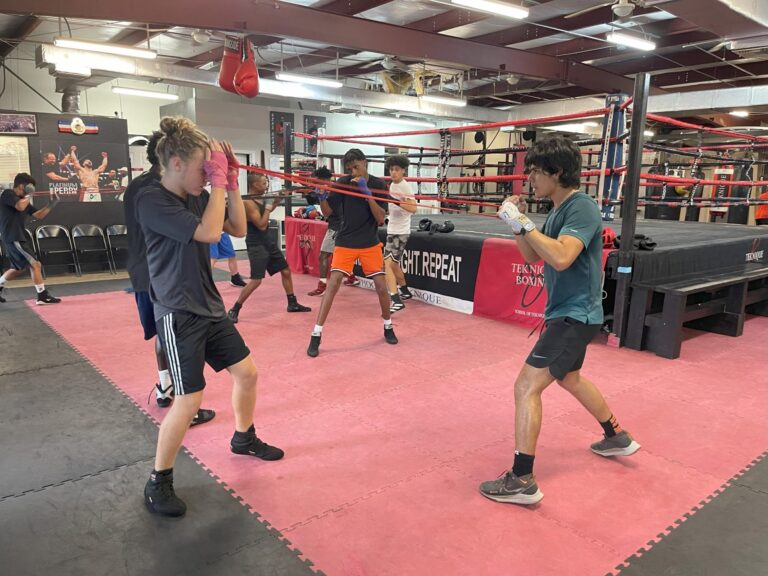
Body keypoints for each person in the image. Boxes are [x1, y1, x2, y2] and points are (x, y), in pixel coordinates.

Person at [479, 136, 640, 506]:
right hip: (568, 314)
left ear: (557, 172)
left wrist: (525, 223)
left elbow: (563, 257)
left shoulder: (581, 207)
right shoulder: (555, 211)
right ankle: (615, 436)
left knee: (525, 387)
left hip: (575, 314)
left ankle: (522, 479)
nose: (530, 178)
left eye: (535, 171)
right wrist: (517, 223)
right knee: (570, 377)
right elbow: (534, 256)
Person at [137, 117, 282, 518]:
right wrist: (217, 184)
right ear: (177, 163)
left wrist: (231, 182)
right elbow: (205, 234)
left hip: (209, 306)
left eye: (211, 169)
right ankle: (159, 480)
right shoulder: (153, 200)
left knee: (247, 373)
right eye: (204, 168)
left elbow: (235, 226)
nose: (207, 175)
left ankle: (243, 438)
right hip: (178, 311)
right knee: (188, 400)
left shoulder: (198, 194)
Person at [123, 130, 216, 424]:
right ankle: (181, 400)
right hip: (160, 272)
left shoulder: (141, 186)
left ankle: (166, 387)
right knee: (169, 332)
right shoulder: (153, 191)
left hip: (151, 269)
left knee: (165, 334)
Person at [307, 148, 397, 357]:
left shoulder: (378, 185)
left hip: (369, 242)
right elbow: (328, 213)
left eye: (356, 166)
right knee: (333, 285)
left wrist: (368, 195)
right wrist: (322, 198)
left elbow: (380, 218)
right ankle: (316, 334)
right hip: (346, 241)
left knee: (382, 287)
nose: (353, 171)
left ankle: (388, 325)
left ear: (365, 162)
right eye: (350, 168)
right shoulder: (342, 183)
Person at [227, 173, 311, 322]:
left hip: (267, 241)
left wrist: (276, 201)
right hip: (256, 243)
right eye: (263, 183)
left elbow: (268, 210)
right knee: (256, 280)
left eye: (266, 182)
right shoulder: (248, 202)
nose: (266, 186)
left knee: (285, 270)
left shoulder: (260, 199)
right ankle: (235, 309)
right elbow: (261, 224)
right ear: (254, 185)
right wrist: (267, 206)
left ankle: (292, 303)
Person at [0, 174, 61, 305]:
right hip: (13, 236)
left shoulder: (23, 199)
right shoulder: (8, 194)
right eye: (30, 186)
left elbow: (38, 215)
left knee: (18, 268)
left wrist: (51, 205)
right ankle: (42, 295)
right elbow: (20, 206)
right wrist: (29, 194)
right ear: (23, 186)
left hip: (16, 237)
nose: (32, 189)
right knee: (35, 264)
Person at [306, 166, 359, 297]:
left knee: (323, 255)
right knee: (339, 254)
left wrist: (321, 197)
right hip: (343, 225)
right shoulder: (332, 189)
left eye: (316, 181)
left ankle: (322, 286)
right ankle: (352, 277)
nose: (314, 184)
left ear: (324, 180)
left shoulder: (332, 192)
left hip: (337, 227)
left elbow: (326, 212)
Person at [383, 155, 417, 313]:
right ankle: (405, 291)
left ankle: (395, 300)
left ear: (403, 170)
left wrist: (395, 200)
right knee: (394, 264)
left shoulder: (405, 187)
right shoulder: (391, 185)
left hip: (401, 232)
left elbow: (413, 208)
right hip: (392, 229)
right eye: (391, 169)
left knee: (387, 264)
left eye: (397, 170)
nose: (393, 172)